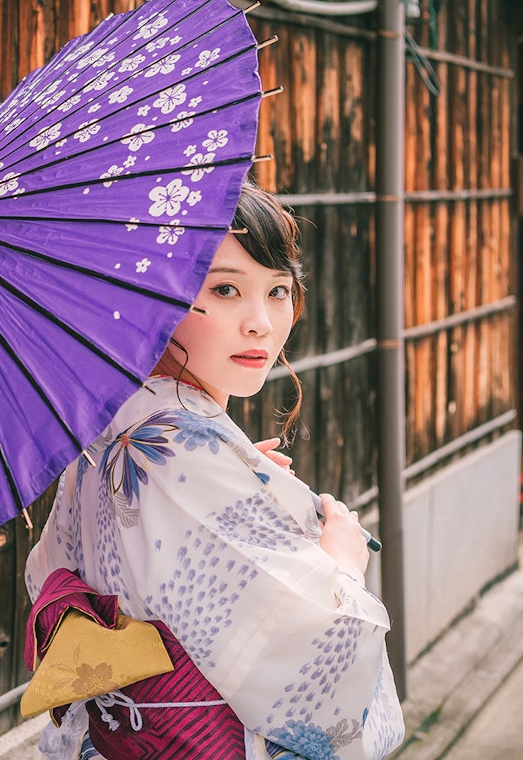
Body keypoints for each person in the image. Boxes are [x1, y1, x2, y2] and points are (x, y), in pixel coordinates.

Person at [24, 181, 406, 759]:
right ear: (155, 295)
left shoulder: (116, 422)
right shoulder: (183, 447)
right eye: (225, 288)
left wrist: (222, 475)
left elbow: (50, 573)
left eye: (278, 290)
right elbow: (314, 661)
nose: (261, 323)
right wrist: (342, 561)